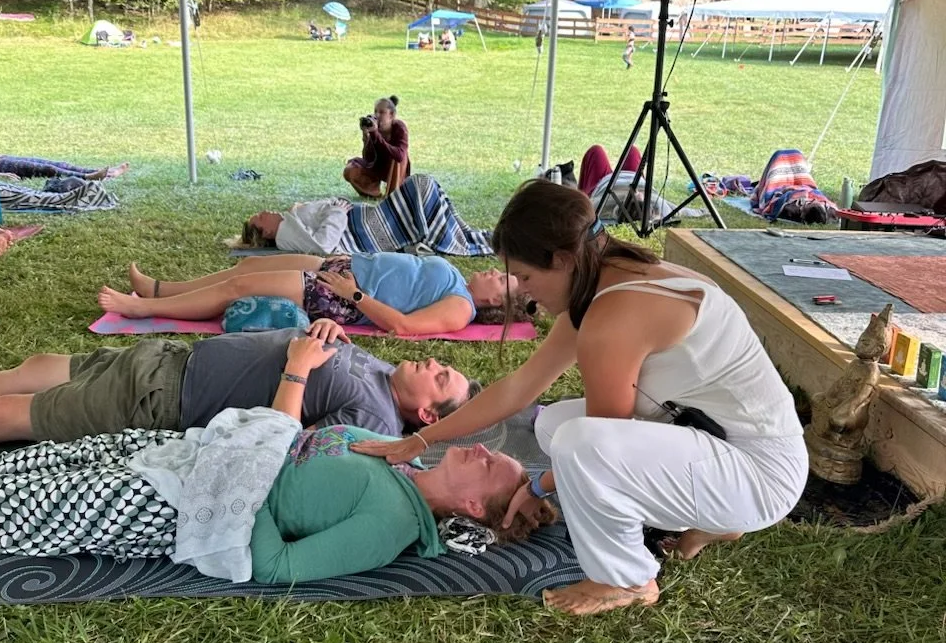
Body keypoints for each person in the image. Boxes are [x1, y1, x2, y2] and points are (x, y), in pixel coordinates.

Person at [354, 180, 808, 615]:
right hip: (723, 445)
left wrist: (538, 486)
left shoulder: (614, 316)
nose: (522, 290)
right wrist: (422, 439)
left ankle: (627, 579)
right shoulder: (609, 276)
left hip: (761, 474)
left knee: (578, 444)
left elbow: (603, 444)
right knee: (554, 425)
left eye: (526, 275)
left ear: (564, 259)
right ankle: (716, 520)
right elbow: (519, 387)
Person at [0, 336, 554, 580]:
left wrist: (245, 484)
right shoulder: (398, 459)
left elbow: (277, 566)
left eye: (489, 465)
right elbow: (294, 436)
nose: (482, 448)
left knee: (3, 502)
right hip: (191, 451)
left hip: (177, 502)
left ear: (473, 505)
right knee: (22, 464)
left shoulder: (390, 525)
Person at [0, 321, 478, 445]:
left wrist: (298, 367)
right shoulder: (382, 372)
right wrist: (324, 328)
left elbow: (285, 448)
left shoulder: (376, 422)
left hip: (161, 398)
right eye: (442, 364)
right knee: (36, 366)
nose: (433, 361)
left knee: (3, 414)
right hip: (169, 358)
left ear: (427, 414)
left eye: (440, 378)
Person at [97, 250, 529, 336]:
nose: (494, 270)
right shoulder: (455, 276)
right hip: (341, 267)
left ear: (495, 302)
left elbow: (403, 326)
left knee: (238, 288)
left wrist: (353, 294)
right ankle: (160, 289)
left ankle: (143, 308)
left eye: (501, 279)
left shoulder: (460, 308)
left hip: (339, 293)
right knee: (248, 267)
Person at [241, 173, 495, 259]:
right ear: (266, 232)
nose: (265, 212)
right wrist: (337, 211)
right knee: (421, 186)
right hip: (367, 231)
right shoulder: (285, 234)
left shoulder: (288, 223)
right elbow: (322, 245)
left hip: (369, 221)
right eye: (260, 218)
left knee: (423, 187)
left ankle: (463, 236)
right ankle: (461, 239)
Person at [343, 95, 411, 198]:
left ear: (392, 115)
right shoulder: (375, 128)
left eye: (382, 112)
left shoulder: (399, 127)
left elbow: (400, 155)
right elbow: (368, 158)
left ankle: (393, 195)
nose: (377, 115)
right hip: (377, 167)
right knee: (350, 170)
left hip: (394, 169)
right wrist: (366, 137)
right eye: (375, 111)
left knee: (397, 157)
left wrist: (376, 134)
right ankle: (373, 193)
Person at [0, 152, 129, 181]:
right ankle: (87, 177)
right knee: (48, 170)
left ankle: (109, 173)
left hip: (2, 158)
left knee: (58, 164)